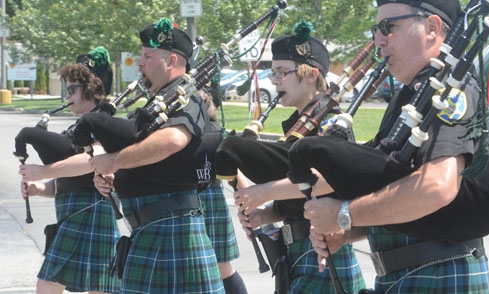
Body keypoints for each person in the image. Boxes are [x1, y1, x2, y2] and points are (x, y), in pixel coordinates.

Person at [301, 0, 489, 292]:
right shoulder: (411, 95)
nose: (378, 41)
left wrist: (345, 214)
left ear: (432, 28)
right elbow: (397, 191)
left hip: (440, 277)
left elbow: (436, 188)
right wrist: (350, 231)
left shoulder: (452, 91)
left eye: (389, 27)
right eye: (376, 29)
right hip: (406, 276)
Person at [227, 20, 366, 293]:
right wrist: (266, 215)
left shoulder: (331, 124)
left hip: (325, 256)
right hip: (296, 253)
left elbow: (329, 181)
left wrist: (263, 192)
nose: (274, 80)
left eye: (281, 72)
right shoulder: (293, 126)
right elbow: (298, 199)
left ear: (311, 75)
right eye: (272, 73)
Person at [91, 18, 224, 293]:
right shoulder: (158, 102)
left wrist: (114, 161)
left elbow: (173, 140)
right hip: (151, 230)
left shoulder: (189, 98)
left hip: (173, 233)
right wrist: (114, 175)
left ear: (171, 60)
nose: (140, 63)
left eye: (148, 56)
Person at [19, 47, 120, 294]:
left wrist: (43, 171)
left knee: (49, 287)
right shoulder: (81, 124)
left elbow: (92, 161)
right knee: (96, 288)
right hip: (75, 213)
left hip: (91, 213)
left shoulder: (102, 121)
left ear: (91, 89)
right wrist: (38, 188)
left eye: (72, 88)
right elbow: (70, 181)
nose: (68, 94)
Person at [198, 88, 248, 294]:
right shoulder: (175, 134)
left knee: (221, 267)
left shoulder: (217, 134)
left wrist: (250, 209)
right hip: (185, 202)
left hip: (211, 201)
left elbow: (238, 175)